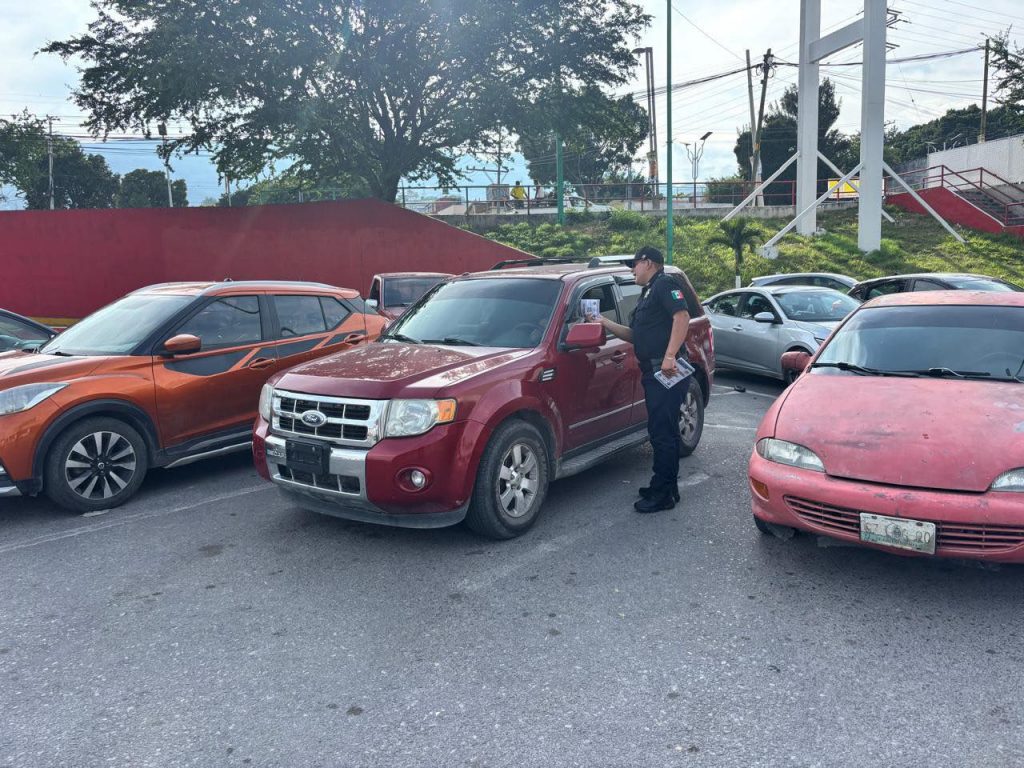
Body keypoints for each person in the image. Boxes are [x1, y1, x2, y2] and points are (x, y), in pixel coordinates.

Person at [588, 245, 691, 513]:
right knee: (663, 431)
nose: (632, 270)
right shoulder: (647, 292)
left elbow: (682, 316)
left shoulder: (664, 283)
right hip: (654, 371)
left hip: (665, 371)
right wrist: (604, 322)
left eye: (634, 264)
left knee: (662, 433)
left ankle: (663, 494)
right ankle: (666, 487)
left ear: (648, 262)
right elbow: (635, 335)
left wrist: (670, 356)